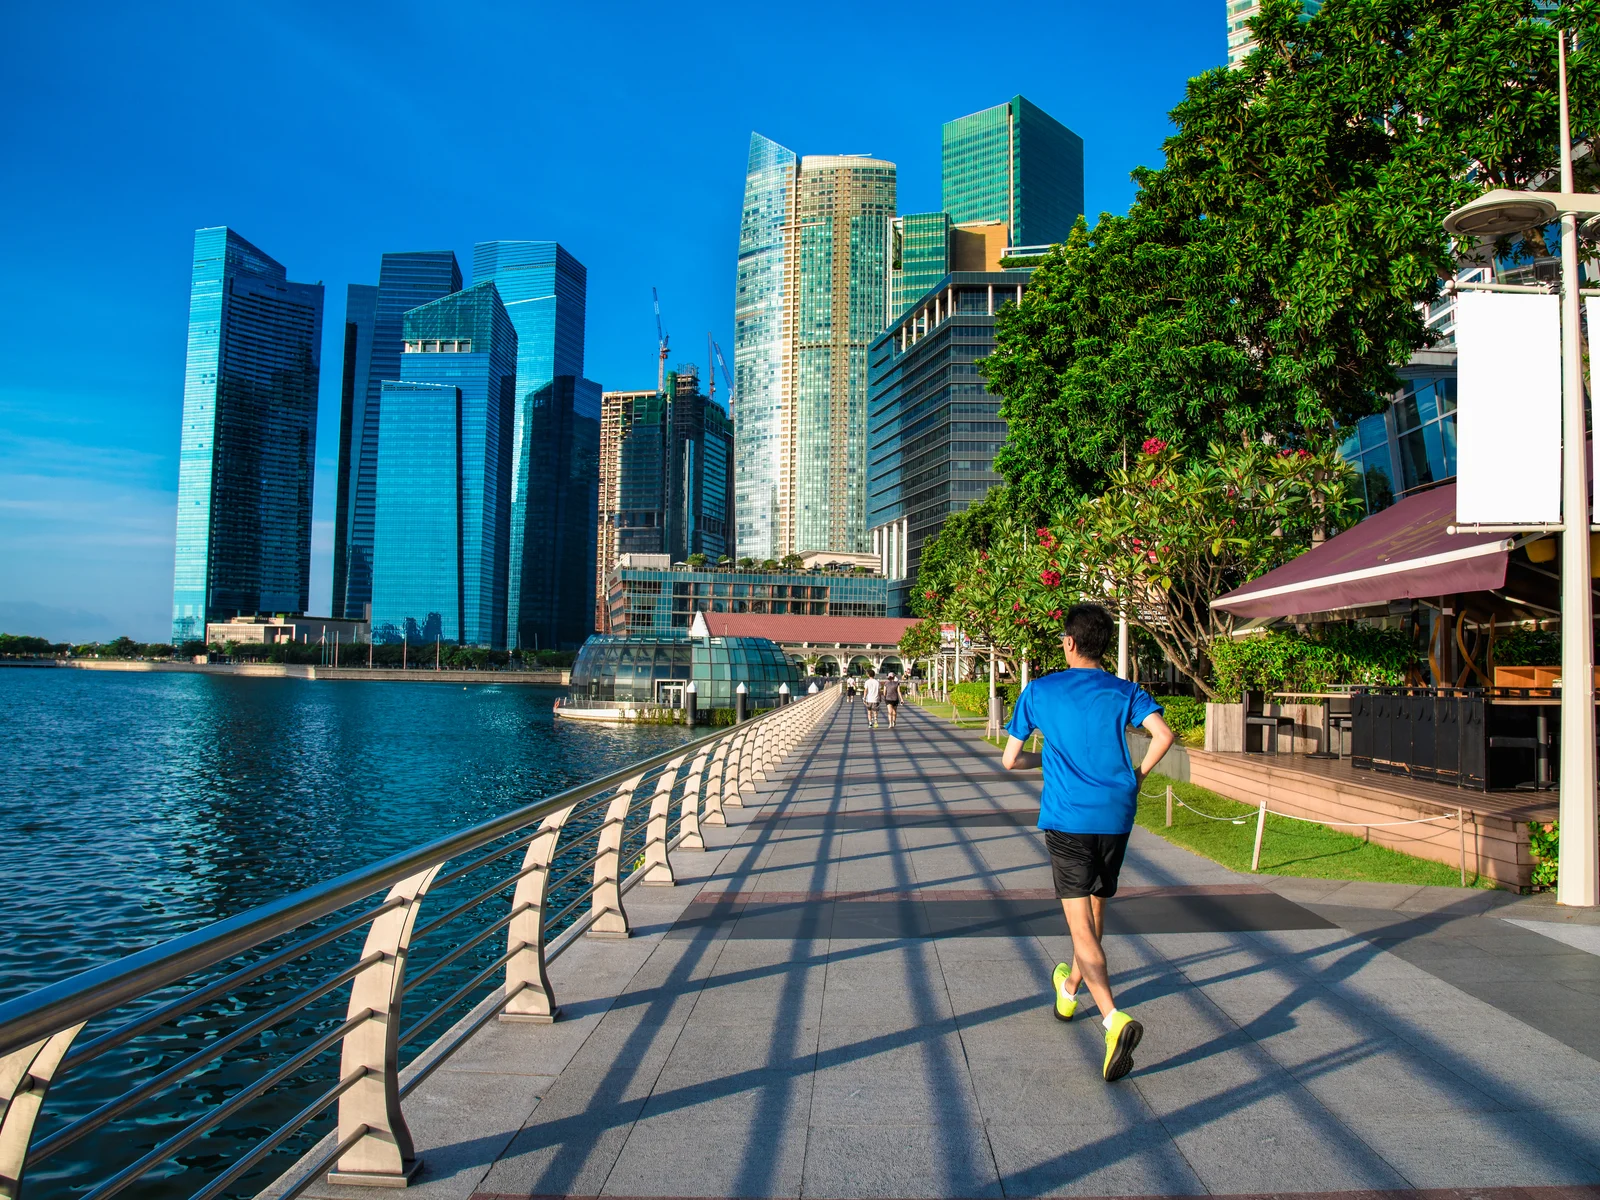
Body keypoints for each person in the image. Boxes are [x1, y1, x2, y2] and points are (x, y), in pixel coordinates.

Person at [1001, 603, 1173, 1083]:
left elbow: (1011, 760)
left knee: (1081, 927)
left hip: (1069, 818)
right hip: (1116, 817)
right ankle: (1068, 985)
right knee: (1097, 913)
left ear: (1070, 643)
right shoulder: (1126, 690)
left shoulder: (1039, 691)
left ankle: (1112, 1019)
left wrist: (1048, 763)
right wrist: (1134, 776)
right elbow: (1163, 734)